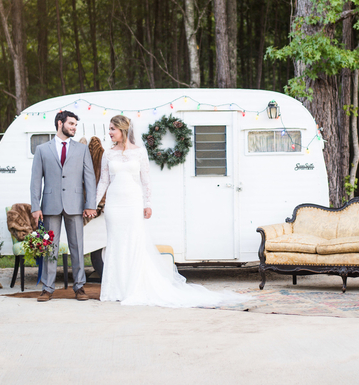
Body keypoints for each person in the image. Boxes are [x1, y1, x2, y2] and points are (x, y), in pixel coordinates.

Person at [95, 115, 248, 307]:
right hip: (114, 204)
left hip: (133, 202)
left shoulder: (140, 152)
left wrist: (148, 203)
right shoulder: (108, 154)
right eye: (109, 129)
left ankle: (133, 288)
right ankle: (115, 289)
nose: (109, 133)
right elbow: (103, 181)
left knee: (134, 243)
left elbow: (146, 180)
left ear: (122, 130)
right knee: (116, 244)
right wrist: (93, 204)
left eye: (112, 129)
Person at [30, 110, 98, 302]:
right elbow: (36, 181)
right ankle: (48, 288)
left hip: (75, 206)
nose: (74, 127)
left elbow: (89, 178)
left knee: (77, 246)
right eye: (71, 124)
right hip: (50, 205)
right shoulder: (43, 150)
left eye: (75, 125)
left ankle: (80, 287)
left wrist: (90, 204)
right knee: (50, 248)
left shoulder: (82, 149)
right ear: (60, 123)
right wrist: (36, 207)